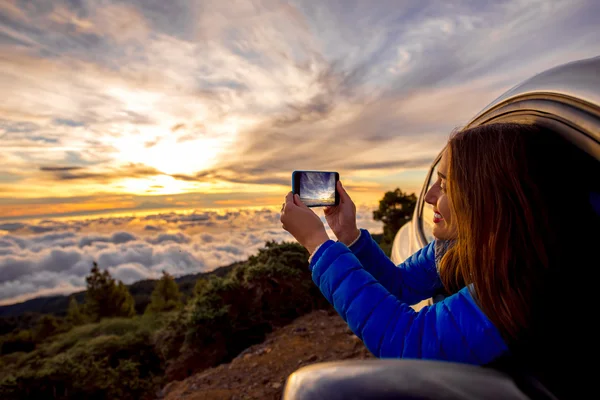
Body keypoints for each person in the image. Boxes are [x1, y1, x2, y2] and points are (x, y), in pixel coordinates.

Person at [280, 122, 599, 399]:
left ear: (485, 198)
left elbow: (411, 343)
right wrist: (347, 234)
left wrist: (317, 244)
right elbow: (400, 285)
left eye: (445, 184)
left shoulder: (530, 281)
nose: (429, 195)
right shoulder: (457, 246)